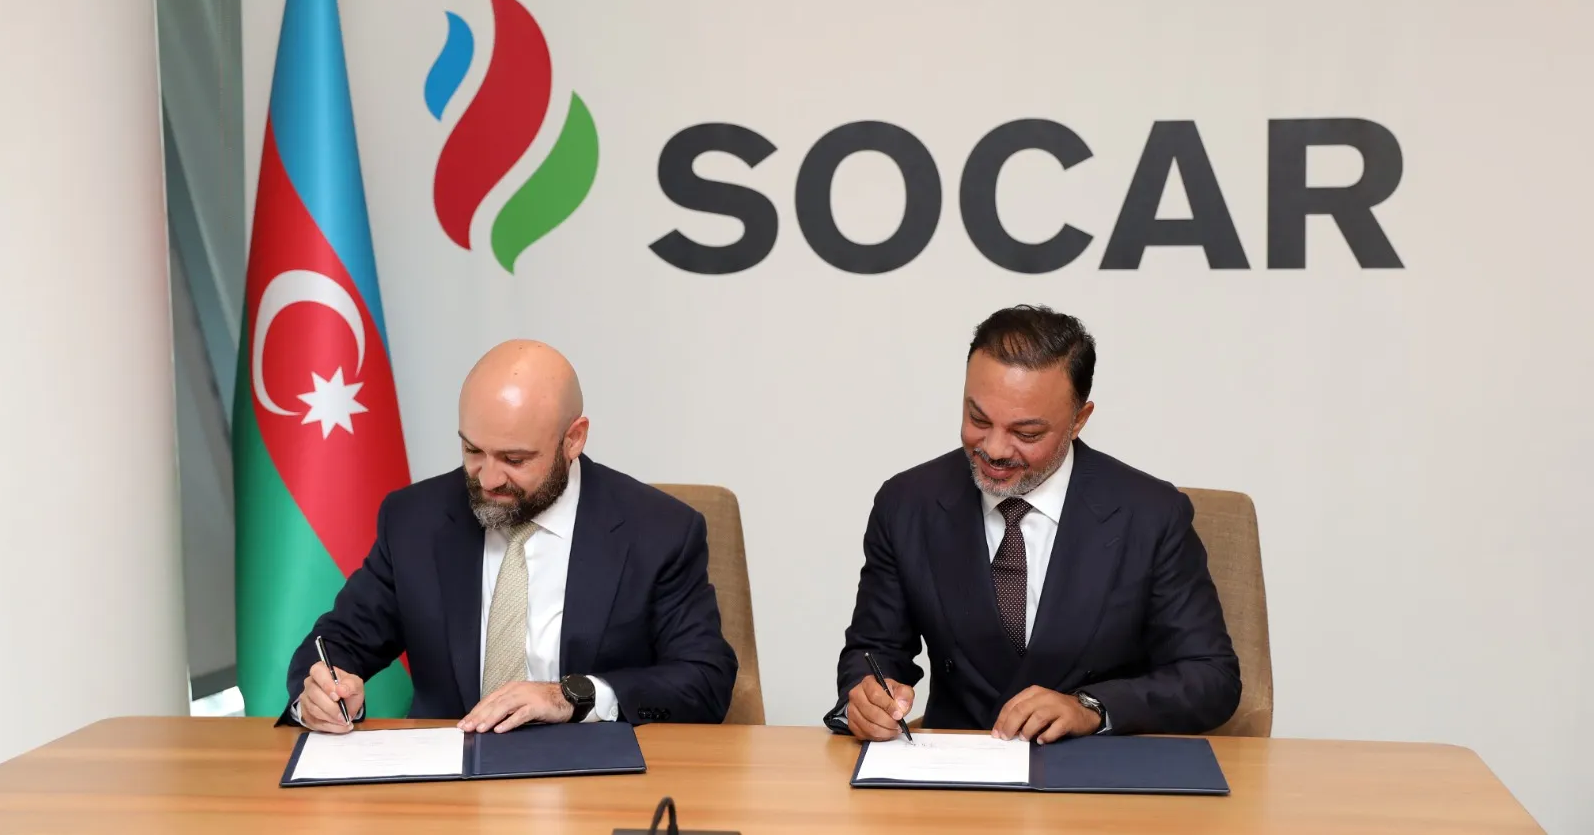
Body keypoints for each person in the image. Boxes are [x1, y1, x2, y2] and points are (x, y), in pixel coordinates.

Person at [826, 306, 1239, 743]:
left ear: (1079, 420)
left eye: (1026, 434)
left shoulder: (1151, 513)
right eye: (978, 420)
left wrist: (1092, 708)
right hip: (958, 765)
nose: (994, 449)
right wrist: (866, 699)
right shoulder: (908, 503)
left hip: (1095, 768)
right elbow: (875, 651)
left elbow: (1211, 678)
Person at [282, 340, 738, 733]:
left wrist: (571, 696)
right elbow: (338, 642)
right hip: (447, 779)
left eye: (514, 459)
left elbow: (705, 681)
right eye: (472, 450)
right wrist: (321, 693)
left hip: (591, 777)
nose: (488, 478)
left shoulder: (658, 531)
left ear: (573, 440)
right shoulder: (415, 520)